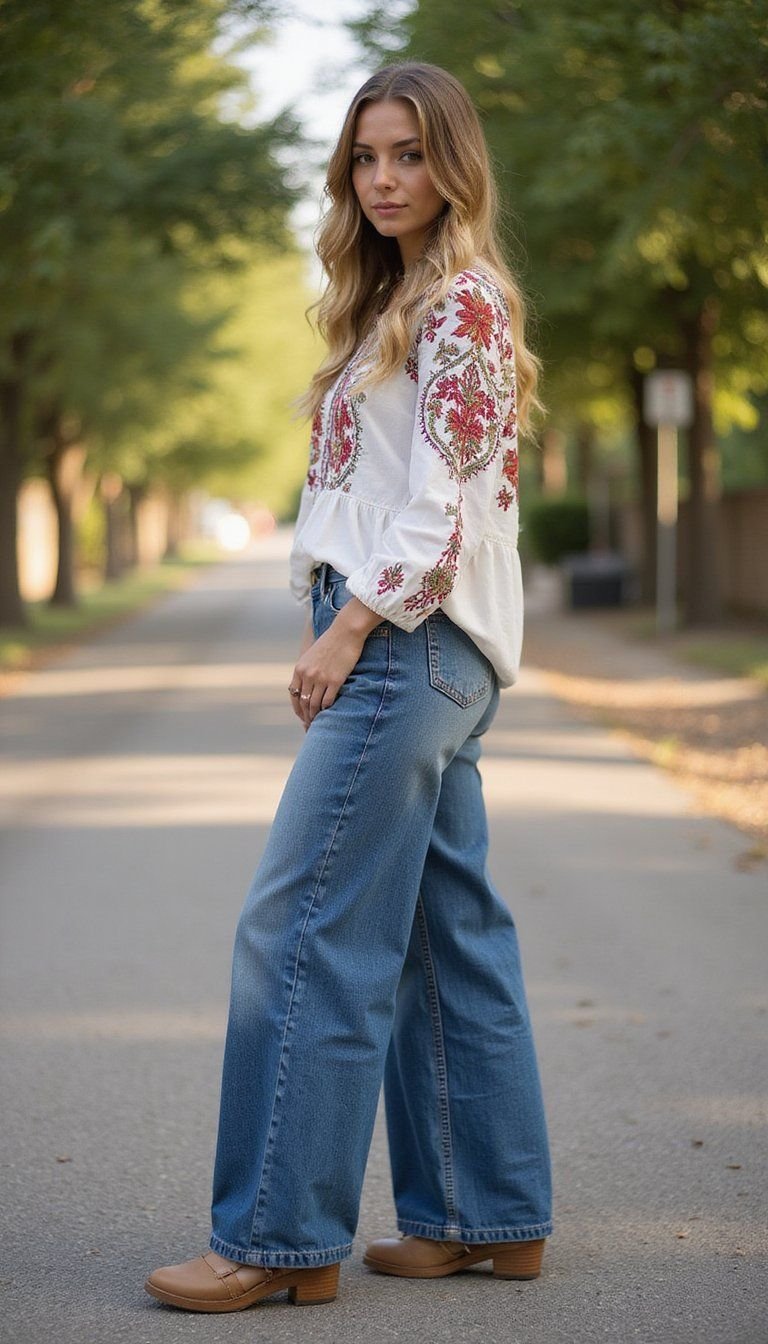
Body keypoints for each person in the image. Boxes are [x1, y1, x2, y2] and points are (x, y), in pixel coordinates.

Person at [145, 59, 553, 1314]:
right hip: (424, 644)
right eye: (368, 157)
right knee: (443, 939)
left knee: (304, 932)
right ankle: (485, 1217)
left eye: (411, 155)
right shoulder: (395, 303)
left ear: (455, 166)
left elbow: (437, 515)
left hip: (403, 640)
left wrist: (345, 631)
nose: (385, 179)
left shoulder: (464, 306)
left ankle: (276, 1240)